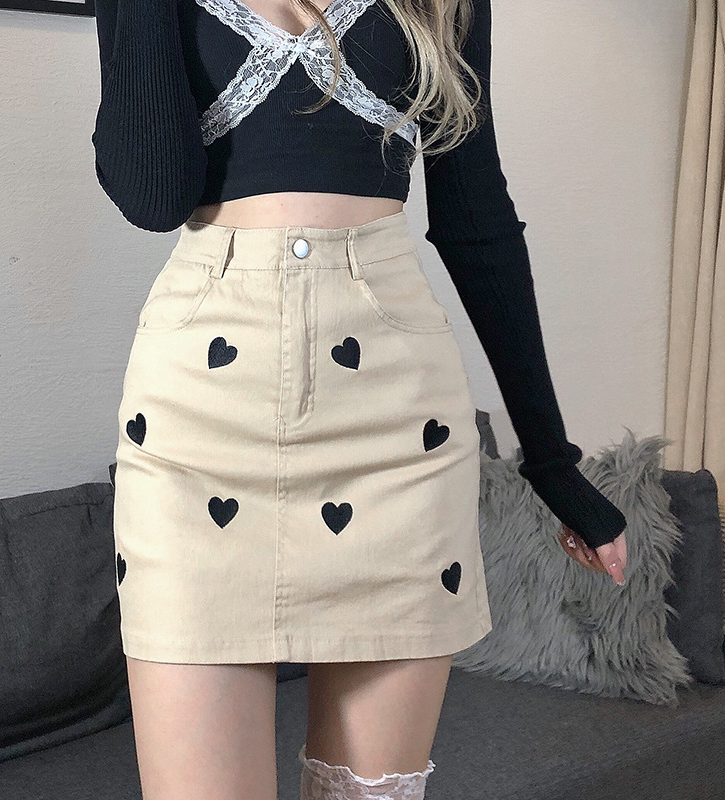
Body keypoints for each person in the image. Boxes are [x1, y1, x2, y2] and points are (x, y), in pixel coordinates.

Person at [91, 0, 629, 797]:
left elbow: (476, 215)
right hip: (199, 415)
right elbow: (153, 194)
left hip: (395, 419)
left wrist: (552, 462)